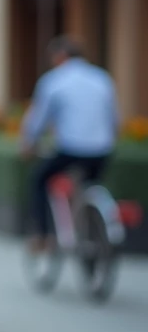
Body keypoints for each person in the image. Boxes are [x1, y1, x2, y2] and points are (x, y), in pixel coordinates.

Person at [20, 35, 119, 252]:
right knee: (92, 186)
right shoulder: (102, 78)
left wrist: (28, 143)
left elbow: (37, 119)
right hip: (102, 149)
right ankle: (92, 226)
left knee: (39, 180)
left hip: (70, 148)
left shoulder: (54, 80)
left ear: (60, 56)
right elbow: (113, 119)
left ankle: (44, 236)